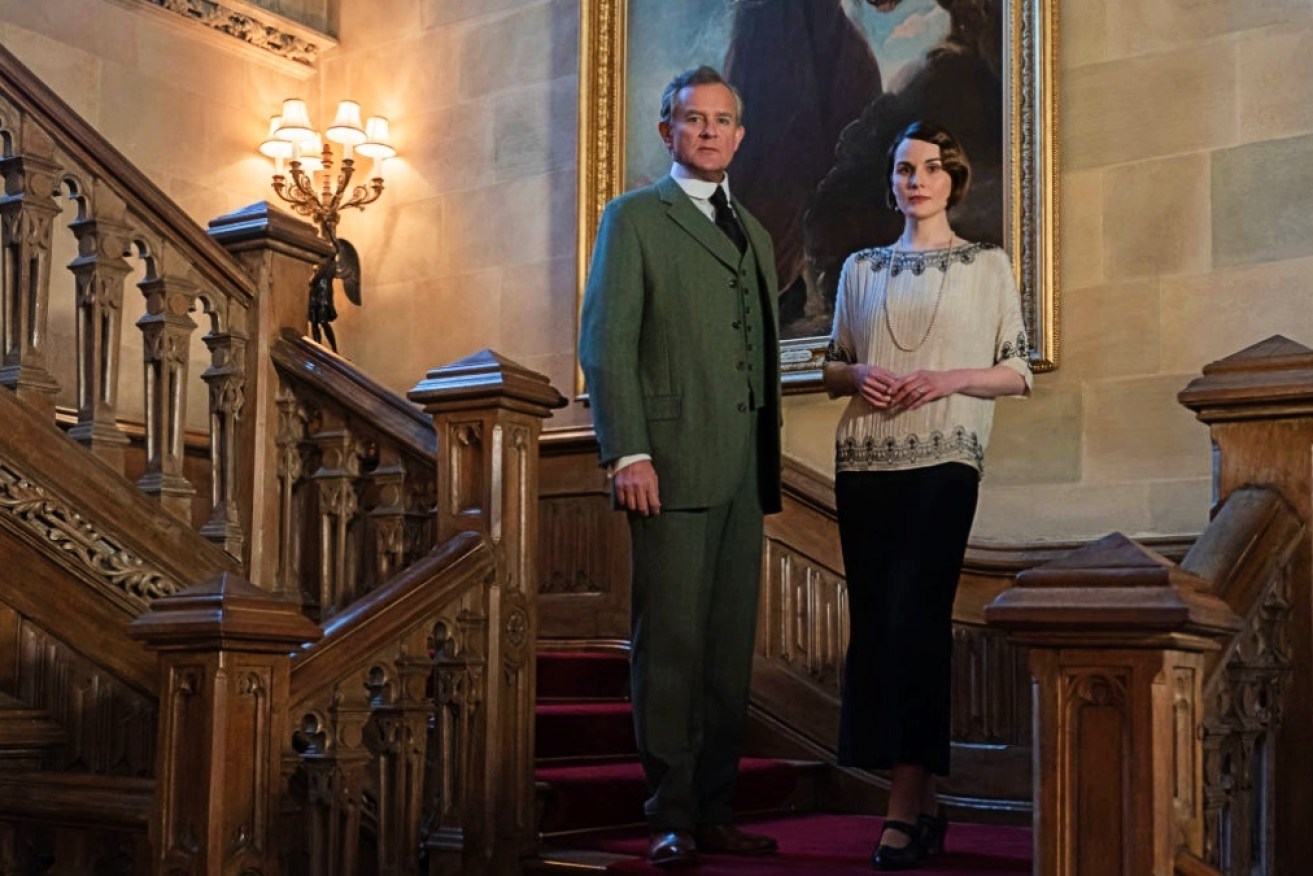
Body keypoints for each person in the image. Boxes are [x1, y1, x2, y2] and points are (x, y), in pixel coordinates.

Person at [578, 66, 783, 868]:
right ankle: (670, 813)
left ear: (739, 135)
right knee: (669, 647)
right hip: (665, 463)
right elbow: (606, 342)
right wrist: (627, 450)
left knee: (727, 652)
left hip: (743, 473)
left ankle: (717, 808)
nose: (707, 131)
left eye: (722, 120)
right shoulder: (632, 219)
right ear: (666, 131)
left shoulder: (758, 234)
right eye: (691, 119)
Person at [822, 120, 1030, 871]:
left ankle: (901, 806)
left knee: (916, 622)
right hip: (863, 462)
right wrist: (858, 376)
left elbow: (1015, 370)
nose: (915, 180)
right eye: (904, 168)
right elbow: (834, 365)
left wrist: (946, 379)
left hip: (945, 458)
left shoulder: (986, 265)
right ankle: (927, 804)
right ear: (892, 181)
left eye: (931, 168)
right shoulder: (860, 268)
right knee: (878, 627)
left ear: (954, 180)